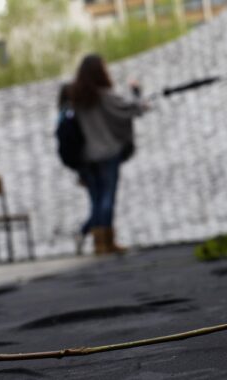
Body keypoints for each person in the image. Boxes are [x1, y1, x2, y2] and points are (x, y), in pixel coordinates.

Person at [61, 54, 147, 255]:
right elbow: (129, 109)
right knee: (107, 198)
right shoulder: (104, 96)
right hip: (107, 153)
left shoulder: (76, 98)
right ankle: (106, 242)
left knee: (97, 200)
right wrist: (136, 92)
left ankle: (98, 241)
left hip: (86, 157)